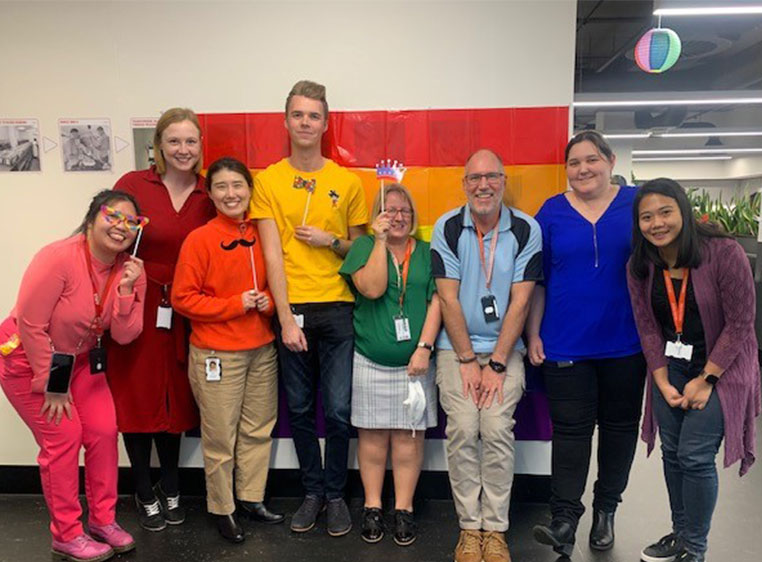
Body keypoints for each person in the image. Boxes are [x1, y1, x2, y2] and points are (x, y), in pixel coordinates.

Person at [0, 190, 146, 562]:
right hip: (26, 357)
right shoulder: (58, 257)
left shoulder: (129, 269)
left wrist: (128, 290)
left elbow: (125, 334)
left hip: (81, 360)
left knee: (102, 431)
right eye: (114, 216)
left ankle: (102, 521)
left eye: (132, 222)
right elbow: (32, 325)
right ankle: (66, 534)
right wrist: (51, 384)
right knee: (64, 438)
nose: (122, 227)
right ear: (94, 216)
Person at [249, 80, 368, 537]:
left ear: (325, 123)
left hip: (339, 309)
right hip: (293, 308)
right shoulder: (268, 181)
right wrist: (283, 318)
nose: (305, 122)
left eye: (313, 116)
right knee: (299, 410)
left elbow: (361, 253)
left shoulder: (347, 181)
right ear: (286, 121)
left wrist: (330, 241)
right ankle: (312, 492)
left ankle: (336, 495)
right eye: (297, 115)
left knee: (338, 411)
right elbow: (272, 256)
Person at [627, 178, 760, 562]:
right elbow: (648, 327)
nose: (657, 224)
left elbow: (740, 324)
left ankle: (695, 549)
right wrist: (662, 380)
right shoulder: (640, 265)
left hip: (725, 367)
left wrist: (707, 379)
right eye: (647, 217)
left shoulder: (723, 252)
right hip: (674, 367)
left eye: (665, 212)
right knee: (672, 453)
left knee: (695, 455)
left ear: (683, 211)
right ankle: (681, 534)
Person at [527, 131, 646, 556]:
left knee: (619, 431)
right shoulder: (551, 213)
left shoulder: (636, 205)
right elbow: (537, 281)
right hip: (565, 344)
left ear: (610, 160)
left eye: (591, 160)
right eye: (574, 163)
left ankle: (606, 511)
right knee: (570, 434)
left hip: (627, 343)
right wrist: (533, 332)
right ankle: (563, 520)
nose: (583, 169)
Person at [106, 107, 215, 532]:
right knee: (138, 394)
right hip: (139, 305)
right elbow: (107, 234)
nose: (183, 149)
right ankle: (143, 486)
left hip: (188, 308)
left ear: (200, 146)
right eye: (174, 141)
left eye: (190, 141)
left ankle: (171, 483)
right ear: (159, 145)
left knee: (179, 395)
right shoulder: (133, 186)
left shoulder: (210, 195)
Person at [430, 148, 542, 562]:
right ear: (464, 184)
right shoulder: (448, 226)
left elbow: (520, 301)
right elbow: (448, 297)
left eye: (492, 177)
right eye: (474, 178)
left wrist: (495, 364)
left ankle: (494, 530)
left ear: (504, 180)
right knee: (461, 429)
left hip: (504, 350)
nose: (483, 185)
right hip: (454, 349)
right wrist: (465, 360)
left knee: (494, 429)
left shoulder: (527, 230)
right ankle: (468, 528)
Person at [171, 157, 283, 543]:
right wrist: (236, 304)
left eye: (238, 185)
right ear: (210, 192)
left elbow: (279, 280)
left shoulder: (264, 230)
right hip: (216, 353)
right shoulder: (199, 239)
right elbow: (182, 298)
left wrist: (269, 300)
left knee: (257, 430)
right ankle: (223, 508)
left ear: (250, 190)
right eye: (222, 186)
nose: (231, 193)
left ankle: (251, 498)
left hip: (261, 349)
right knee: (220, 438)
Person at [339, 183, 441, 546]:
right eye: (389, 210)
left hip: (415, 363)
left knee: (409, 439)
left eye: (404, 211)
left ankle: (404, 509)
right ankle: (371, 506)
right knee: (372, 438)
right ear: (376, 216)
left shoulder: (428, 252)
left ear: (412, 217)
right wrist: (380, 241)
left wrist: (425, 348)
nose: (397, 217)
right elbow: (372, 289)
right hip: (370, 359)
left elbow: (437, 303)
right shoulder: (364, 247)